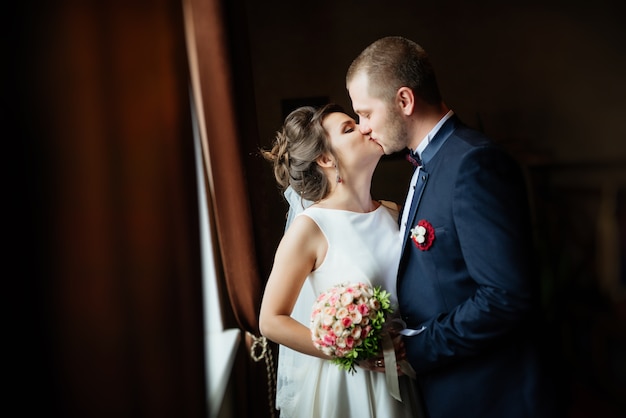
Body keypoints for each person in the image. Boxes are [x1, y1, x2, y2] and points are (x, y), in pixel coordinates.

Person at [346, 36, 556, 418]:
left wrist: (418, 347)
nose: (362, 127)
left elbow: (505, 295)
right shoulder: (428, 164)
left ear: (404, 101)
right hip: (454, 388)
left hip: (493, 394)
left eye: (366, 113)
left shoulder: (474, 163)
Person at [259, 104, 423, 417]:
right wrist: (348, 351)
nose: (364, 128)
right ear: (325, 159)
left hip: (404, 375)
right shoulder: (310, 228)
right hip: (349, 385)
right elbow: (271, 320)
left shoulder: (393, 213)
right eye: (349, 128)